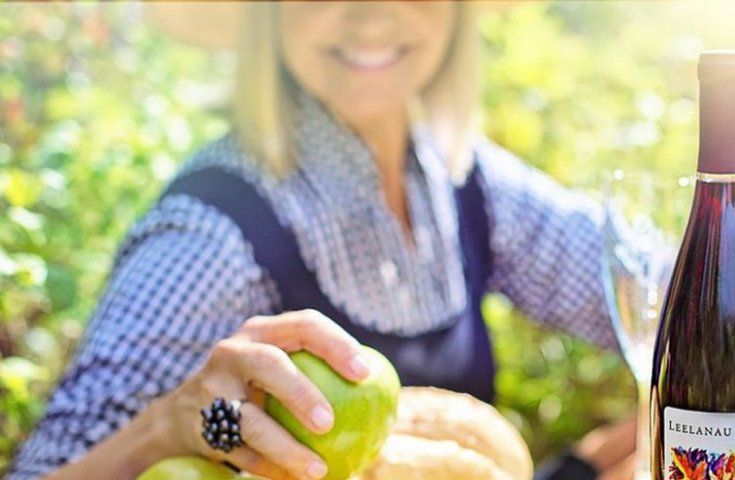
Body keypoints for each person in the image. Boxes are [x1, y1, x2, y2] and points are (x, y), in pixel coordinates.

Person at [10, 3, 638, 480]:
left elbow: (665, 301)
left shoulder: (464, 181)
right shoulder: (213, 234)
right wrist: (163, 430)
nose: (371, 15)